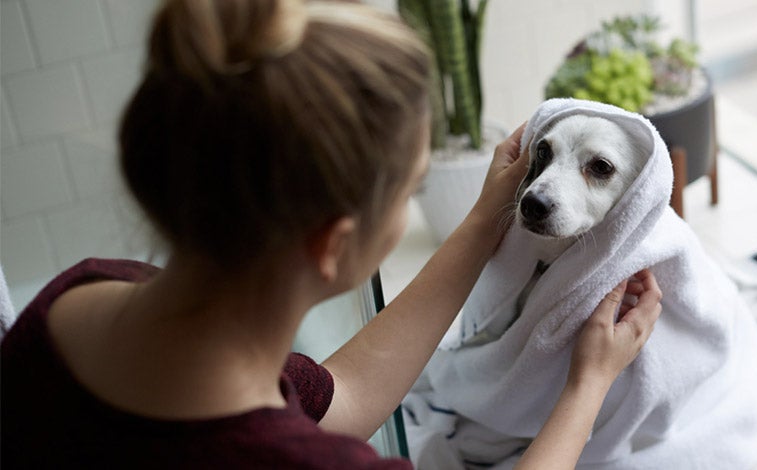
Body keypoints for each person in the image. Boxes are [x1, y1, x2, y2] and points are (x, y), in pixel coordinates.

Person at [0, 1, 663, 468]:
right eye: (408, 192)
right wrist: (589, 383)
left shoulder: (79, 295)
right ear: (331, 244)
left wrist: (480, 222)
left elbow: (331, 399)